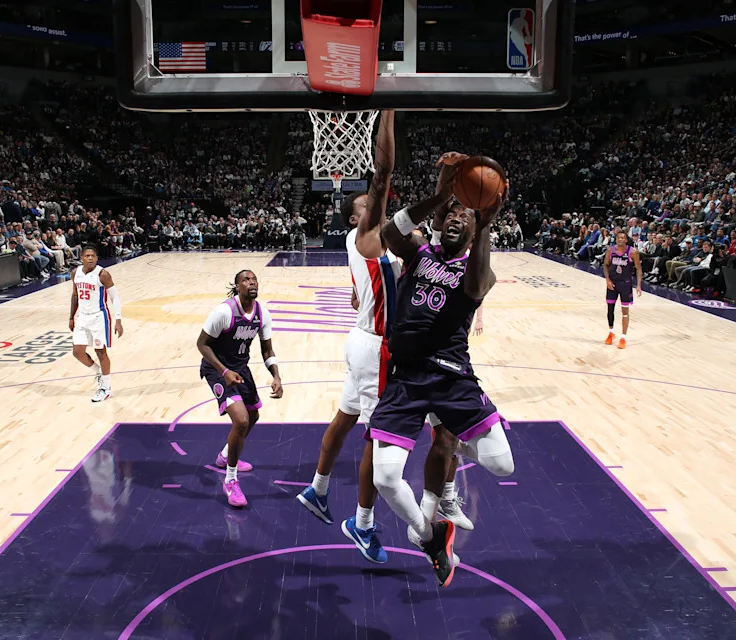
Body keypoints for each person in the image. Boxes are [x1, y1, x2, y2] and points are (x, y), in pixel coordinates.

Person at [367, 153, 515, 587]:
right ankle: (431, 537)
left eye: (464, 217)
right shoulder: (419, 254)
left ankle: (458, 448)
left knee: (503, 466)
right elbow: (391, 232)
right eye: (452, 213)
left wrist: (484, 224)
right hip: (407, 378)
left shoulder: (478, 271)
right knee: (385, 477)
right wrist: (440, 195)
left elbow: (476, 285)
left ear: (474, 231)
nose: (455, 218)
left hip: (452, 378)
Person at [296, 111, 399, 563]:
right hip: (375, 346)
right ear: (355, 218)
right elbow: (382, 174)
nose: (373, 207)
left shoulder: (374, 242)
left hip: (362, 341)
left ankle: (317, 489)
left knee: (344, 418)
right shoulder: (364, 236)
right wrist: (387, 112)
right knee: (376, 436)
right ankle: (362, 523)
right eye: (366, 206)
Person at [197, 269, 283, 508]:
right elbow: (202, 344)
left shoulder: (262, 314)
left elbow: (267, 350)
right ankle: (231, 480)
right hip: (217, 369)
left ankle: (225, 456)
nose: (252, 282)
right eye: (246, 280)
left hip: (240, 369)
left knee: (253, 415)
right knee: (242, 420)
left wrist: (276, 376)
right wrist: (224, 371)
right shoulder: (224, 312)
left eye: (254, 279)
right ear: (237, 286)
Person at [69, 245, 123, 402]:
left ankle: (106, 388)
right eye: (87, 256)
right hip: (82, 317)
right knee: (77, 352)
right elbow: (75, 295)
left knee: (101, 352)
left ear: (97, 258)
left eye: (93, 256)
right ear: (82, 258)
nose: (90, 258)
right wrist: (71, 317)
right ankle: (98, 371)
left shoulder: (103, 274)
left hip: (99, 317)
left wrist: (118, 320)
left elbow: (115, 297)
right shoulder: (75, 273)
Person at [603, 230, 643, 349]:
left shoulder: (633, 252)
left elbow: (638, 268)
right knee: (610, 309)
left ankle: (623, 337)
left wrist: (639, 285)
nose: (620, 239)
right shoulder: (610, 250)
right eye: (618, 238)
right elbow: (605, 265)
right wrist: (607, 280)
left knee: (625, 311)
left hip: (625, 284)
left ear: (626, 240)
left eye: (622, 238)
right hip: (612, 283)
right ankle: (611, 332)